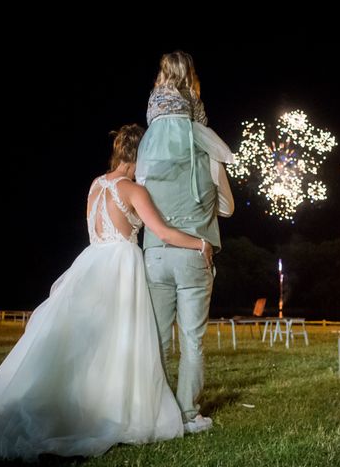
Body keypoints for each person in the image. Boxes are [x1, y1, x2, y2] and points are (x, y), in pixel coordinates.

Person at [0, 124, 213, 461]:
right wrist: (200, 242)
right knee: (117, 341)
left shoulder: (96, 185)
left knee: (87, 343)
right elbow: (164, 232)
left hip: (91, 262)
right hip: (120, 267)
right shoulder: (133, 190)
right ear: (139, 155)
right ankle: (112, 406)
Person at [135, 50, 234, 434]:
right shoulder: (205, 142)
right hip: (195, 251)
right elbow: (226, 207)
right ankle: (188, 415)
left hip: (156, 254)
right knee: (192, 341)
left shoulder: (147, 148)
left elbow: (142, 206)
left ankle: (156, 413)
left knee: (158, 338)